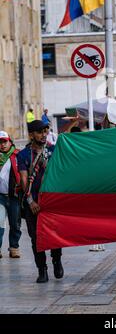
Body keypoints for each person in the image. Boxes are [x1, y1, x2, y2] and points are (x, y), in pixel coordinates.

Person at [17, 120, 64, 283]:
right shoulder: (23, 155)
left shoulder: (53, 150)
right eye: (40, 132)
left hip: (51, 202)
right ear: (31, 135)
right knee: (36, 238)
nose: (44, 135)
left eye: (45, 132)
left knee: (54, 234)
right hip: (33, 203)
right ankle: (42, 269)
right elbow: (23, 179)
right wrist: (30, 201)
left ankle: (57, 261)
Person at [0, 131, 22, 259]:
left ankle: (14, 247)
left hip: (14, 196)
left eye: (4, 142)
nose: (2, 145)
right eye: (0, 143)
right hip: (0, 197)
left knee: (15, 224)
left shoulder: (17, 155)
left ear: (10, 142)